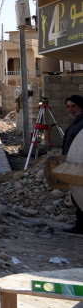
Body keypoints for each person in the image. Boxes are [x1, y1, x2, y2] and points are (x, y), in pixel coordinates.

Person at [61, 95, 83, 235]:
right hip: (74, 164)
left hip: (79, 164)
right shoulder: (77, 122)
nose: (71, 109)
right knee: (77, 197)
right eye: (69, 107)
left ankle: (80, 226)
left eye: (74, 106)